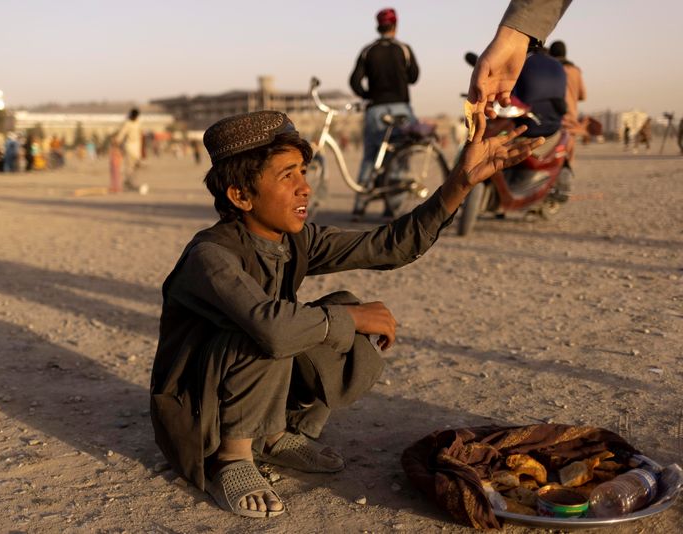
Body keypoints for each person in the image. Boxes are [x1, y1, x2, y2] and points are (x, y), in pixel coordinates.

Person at [150, 110, 542, 518]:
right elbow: (273, 330)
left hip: (252, 380)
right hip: (200, 412)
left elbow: (390, 245)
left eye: (303, 172)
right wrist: (353, 318)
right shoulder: (211, 255)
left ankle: (274, 435)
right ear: (241, 196)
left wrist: (461, 181)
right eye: (287, 176)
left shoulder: (295, 240)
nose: (305, 188)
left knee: (337, 306)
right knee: (275, 328)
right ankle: (232, 457)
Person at [349, 7, 418, 220]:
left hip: (376, 108)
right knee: (399, 156)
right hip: (400, 108)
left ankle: (360, 206)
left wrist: (369, 95)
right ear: (395, 26)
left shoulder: (368, 50)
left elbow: (354, 81)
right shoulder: (404, 49)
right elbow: (414, 76)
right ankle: (392, 206)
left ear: (378, 26)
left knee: (370, 156)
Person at [468, 0, 573, 116]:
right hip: (562, 121)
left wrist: (512, 37)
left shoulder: (530, 63)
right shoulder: (568, 70)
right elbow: (583, 96)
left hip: (534, 120)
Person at [549, 40, 586, 162]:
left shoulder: (550, 70)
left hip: (553, 118)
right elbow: (583, 96)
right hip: (570, 119)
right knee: (567, 159)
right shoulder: (575, 71)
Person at [114, 108, 149, 194]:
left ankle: (129, 181)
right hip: (129, 147)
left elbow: (142, 135)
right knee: (130, 166)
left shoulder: (138, 123)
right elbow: (122, 134)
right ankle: (128, 182)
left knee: (135, 165)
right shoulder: (128, 123)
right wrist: (117, 141)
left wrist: (143, 149)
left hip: (137, 147)